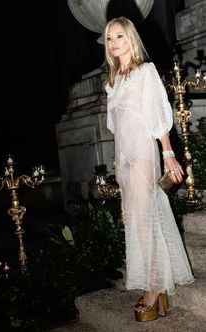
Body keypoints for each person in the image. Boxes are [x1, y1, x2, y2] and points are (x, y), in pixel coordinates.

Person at [104, 16, 195, 322]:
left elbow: (157, 114)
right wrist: (117, 164)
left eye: (119, 36)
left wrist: (168, 154)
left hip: (144, 153)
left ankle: (155, 288)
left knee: (145, 220)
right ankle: (153, 280)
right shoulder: (112, 81)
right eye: (110, 39)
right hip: (125, 158)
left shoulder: (146, 71)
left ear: (130, 37)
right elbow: (116, 128)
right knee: (134, 221)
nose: (114, 43)